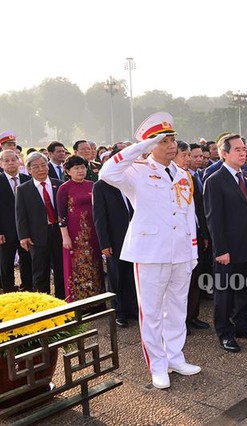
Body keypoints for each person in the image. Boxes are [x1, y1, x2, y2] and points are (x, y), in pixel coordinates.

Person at [99, 111, 201, 390]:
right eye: (164, 141)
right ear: (150, 145)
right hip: (150, 252)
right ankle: (157, 365)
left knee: (177, 309)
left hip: (180, 251)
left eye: (173, 140)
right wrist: (141, 147)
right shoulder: (136, 171)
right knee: (152, 312)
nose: (172, 145)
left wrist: (193, 251)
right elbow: (106, 172)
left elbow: (188, 214)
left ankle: (175, 357)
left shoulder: (183, 175)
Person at [204, 134, 247, 352]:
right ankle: (225, 332)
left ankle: (243, 325)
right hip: (227, 250)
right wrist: (220, 250)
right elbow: (213, 219)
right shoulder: (214, 181)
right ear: (224, 154)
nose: (243, 153)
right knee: (225, 293)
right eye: (238, 150)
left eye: (244, 149)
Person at [93, 149, 137, 328]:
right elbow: (99, 217)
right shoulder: (101, 185)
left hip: (135, 236)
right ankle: (119, 312)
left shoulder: (132, 181)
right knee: (116, 276)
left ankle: (133, 308)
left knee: (132, 275)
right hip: (115, 239)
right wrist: (105, 243)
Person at [15, 152, 65, 298]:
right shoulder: (23, 189)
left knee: (60, 268)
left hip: (59, 233)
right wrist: (23, 236)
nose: (41, 169)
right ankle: (44, 303)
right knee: (40, 271)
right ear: (29, 170)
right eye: (36, 167)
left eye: (43, 165)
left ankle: (62, 302)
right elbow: (20, 215)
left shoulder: (59, 185)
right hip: (37, 235)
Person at [56, 155, 104, 302]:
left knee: (95, 264)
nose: (80, 171)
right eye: (76, 168)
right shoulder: (64, 189)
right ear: (68, 171)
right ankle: (78, 302)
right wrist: (65, 236)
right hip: (74, 233)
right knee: (76, 265)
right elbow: (61, 216)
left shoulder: (92, 185)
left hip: (94, 232)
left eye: (82, 167)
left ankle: (97, 300)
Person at [179, 143, 211, 333]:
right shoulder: (176, 179)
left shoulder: (194, 176)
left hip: (198, 232)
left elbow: (201, 208)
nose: (193, 159)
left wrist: (205, 234)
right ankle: (181, 321)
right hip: (182, 235)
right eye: (189, 155)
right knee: (183, 282)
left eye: (196, 155)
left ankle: (192, 316)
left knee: (196, 277)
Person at [0, 150, 32, 292]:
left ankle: (28, 289)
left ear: (19, 161)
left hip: (26, 230)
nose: (11, 162)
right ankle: (8, 292)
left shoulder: (28, 179)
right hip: (5, 232)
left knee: (27, 261)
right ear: (1, 164)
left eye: (13, 159)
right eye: (6, 160)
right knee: (6, 264)